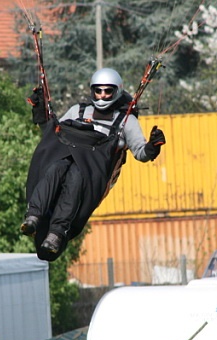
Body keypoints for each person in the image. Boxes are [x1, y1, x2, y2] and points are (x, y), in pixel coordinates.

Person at [21, 67, 166, 261]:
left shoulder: (126, 120)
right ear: (92, 91)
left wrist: (152, 147)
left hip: (92, 172)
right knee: (56, 167)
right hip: (68, 159)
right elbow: (55, 136)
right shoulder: (78, 111)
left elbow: (141, 153)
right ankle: (33, 216)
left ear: (117, 91)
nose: (102, 95)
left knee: (76, 176)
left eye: (108, 91)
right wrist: (41, 113)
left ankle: (57, 232)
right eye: (98, 91)